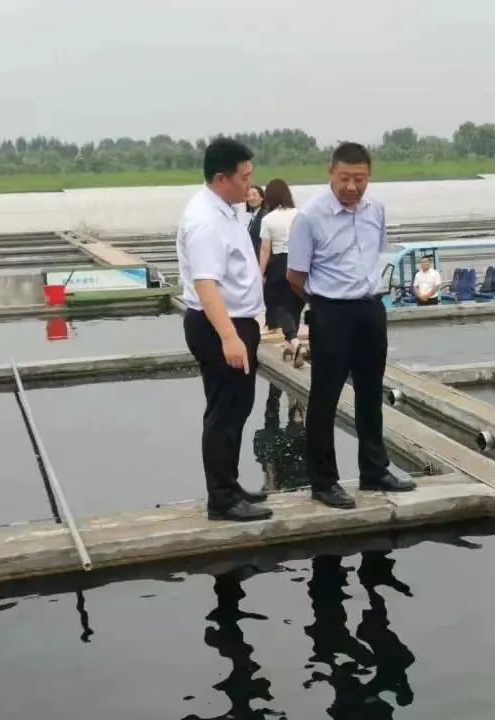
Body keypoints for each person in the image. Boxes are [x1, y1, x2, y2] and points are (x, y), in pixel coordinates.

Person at [287, 142, 417, 509]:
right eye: (345, 178)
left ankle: (374, 470)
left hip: (371, 308)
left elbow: (376, 252)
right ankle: (323, 481)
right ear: (331, 172)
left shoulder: (376, 209)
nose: (352, 186)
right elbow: (295, 275)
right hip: (331, 311)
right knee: (325, 396)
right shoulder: (310, 216)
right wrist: (322, 304)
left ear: (369, 176)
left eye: (360, 179)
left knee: (371, 392)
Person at [177, 137, 272, 522]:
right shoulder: (205, 220)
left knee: (236, 408)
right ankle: (221, 499)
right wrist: (230, 338)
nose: (250, 185)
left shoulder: (225, 210)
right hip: (220, 325)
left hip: (234, 322)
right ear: (221, 178)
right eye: (244, 178)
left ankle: (229, 485)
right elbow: (206, 284)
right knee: (225, 413)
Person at [259, 178, 307, 365]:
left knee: (278, 305)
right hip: (300, 261)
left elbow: (265, 248)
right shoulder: (301, 215)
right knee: (295, 303)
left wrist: (261, 273)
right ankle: (289, 345)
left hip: (279, 263)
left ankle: (294, 342)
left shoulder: (268, 219)